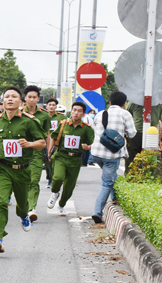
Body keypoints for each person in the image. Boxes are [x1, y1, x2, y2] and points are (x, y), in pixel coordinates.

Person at [0, 87, 47, 252]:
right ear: (2, 102)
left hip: (22, 169)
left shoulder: (30, 121)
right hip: (2, 168)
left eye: (14, 97)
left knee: (21, 204)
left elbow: (42, 142)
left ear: (21, 101)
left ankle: (23, 214)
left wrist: (29, 144)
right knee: (0, 202)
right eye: (7, 97)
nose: (10, 99)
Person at [90, 91, 137, 224]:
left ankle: (115, 197)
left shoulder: (100, 114)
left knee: (110, 177)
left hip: (97, 153)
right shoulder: (125, 114)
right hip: (112, 154)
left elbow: (95, 130)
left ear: (109, 102)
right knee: (107, 182)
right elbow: (132, 134)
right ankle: (97, 213)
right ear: (125, 104)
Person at [46, 101, 95, 216]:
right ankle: (54, 193)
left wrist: (87, 147)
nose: (76, 113)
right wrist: (49, 153)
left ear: (83, 114)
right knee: (57, 178)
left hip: (75, 160)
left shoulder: (87, 129)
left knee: (69, 187)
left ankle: (61, 205)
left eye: (79, 111)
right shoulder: (63, 124)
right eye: (74, 110)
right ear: (71, 111)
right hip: (61, 156)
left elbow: (93, 143)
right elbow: (53, 138)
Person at [20, 85, 51, 222]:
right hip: (20, 153)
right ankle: (24, 204)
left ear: (38, 99)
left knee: (34, 180)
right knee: (23, 182)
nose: (32, 99)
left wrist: (48, 151)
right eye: (29, 97)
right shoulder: (18, 113)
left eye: (34, 97)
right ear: (25, 98)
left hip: (37, 152)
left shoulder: (44, 115)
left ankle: (31, 208)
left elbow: (47, 135)